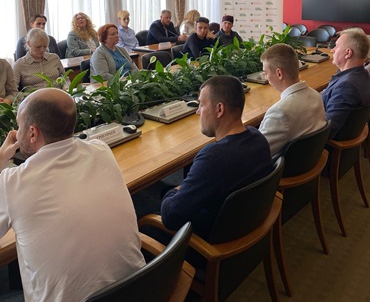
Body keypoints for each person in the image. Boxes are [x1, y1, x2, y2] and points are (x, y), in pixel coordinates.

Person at [0, 88, 145, 301]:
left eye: (19, 125)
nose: (16, 131)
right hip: (140, 289)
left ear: (32, 133)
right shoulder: (101, 150)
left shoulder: (12, 182)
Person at [160, 75, 273, 241]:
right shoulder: (258, 138)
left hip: (209, 244)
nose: (198, 111)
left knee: (149, 203)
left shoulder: (213, 159)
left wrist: (173, 191)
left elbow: (170, 217)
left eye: (201, 104)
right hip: (244, 226)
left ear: (219, 109)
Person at [258, 44, 326, 156]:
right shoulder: (316, 95)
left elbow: (257, 153)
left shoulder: (279, 112)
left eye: (266, 73)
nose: (266, 77)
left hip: (287, 165)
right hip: (311, 158)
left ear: (279, 73)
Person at [321, 28, 370, 139]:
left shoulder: (346, 86)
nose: (332, 50)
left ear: (348, 53)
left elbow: (328, 129)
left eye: (336, 46)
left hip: (329, 142)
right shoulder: (363, 75)